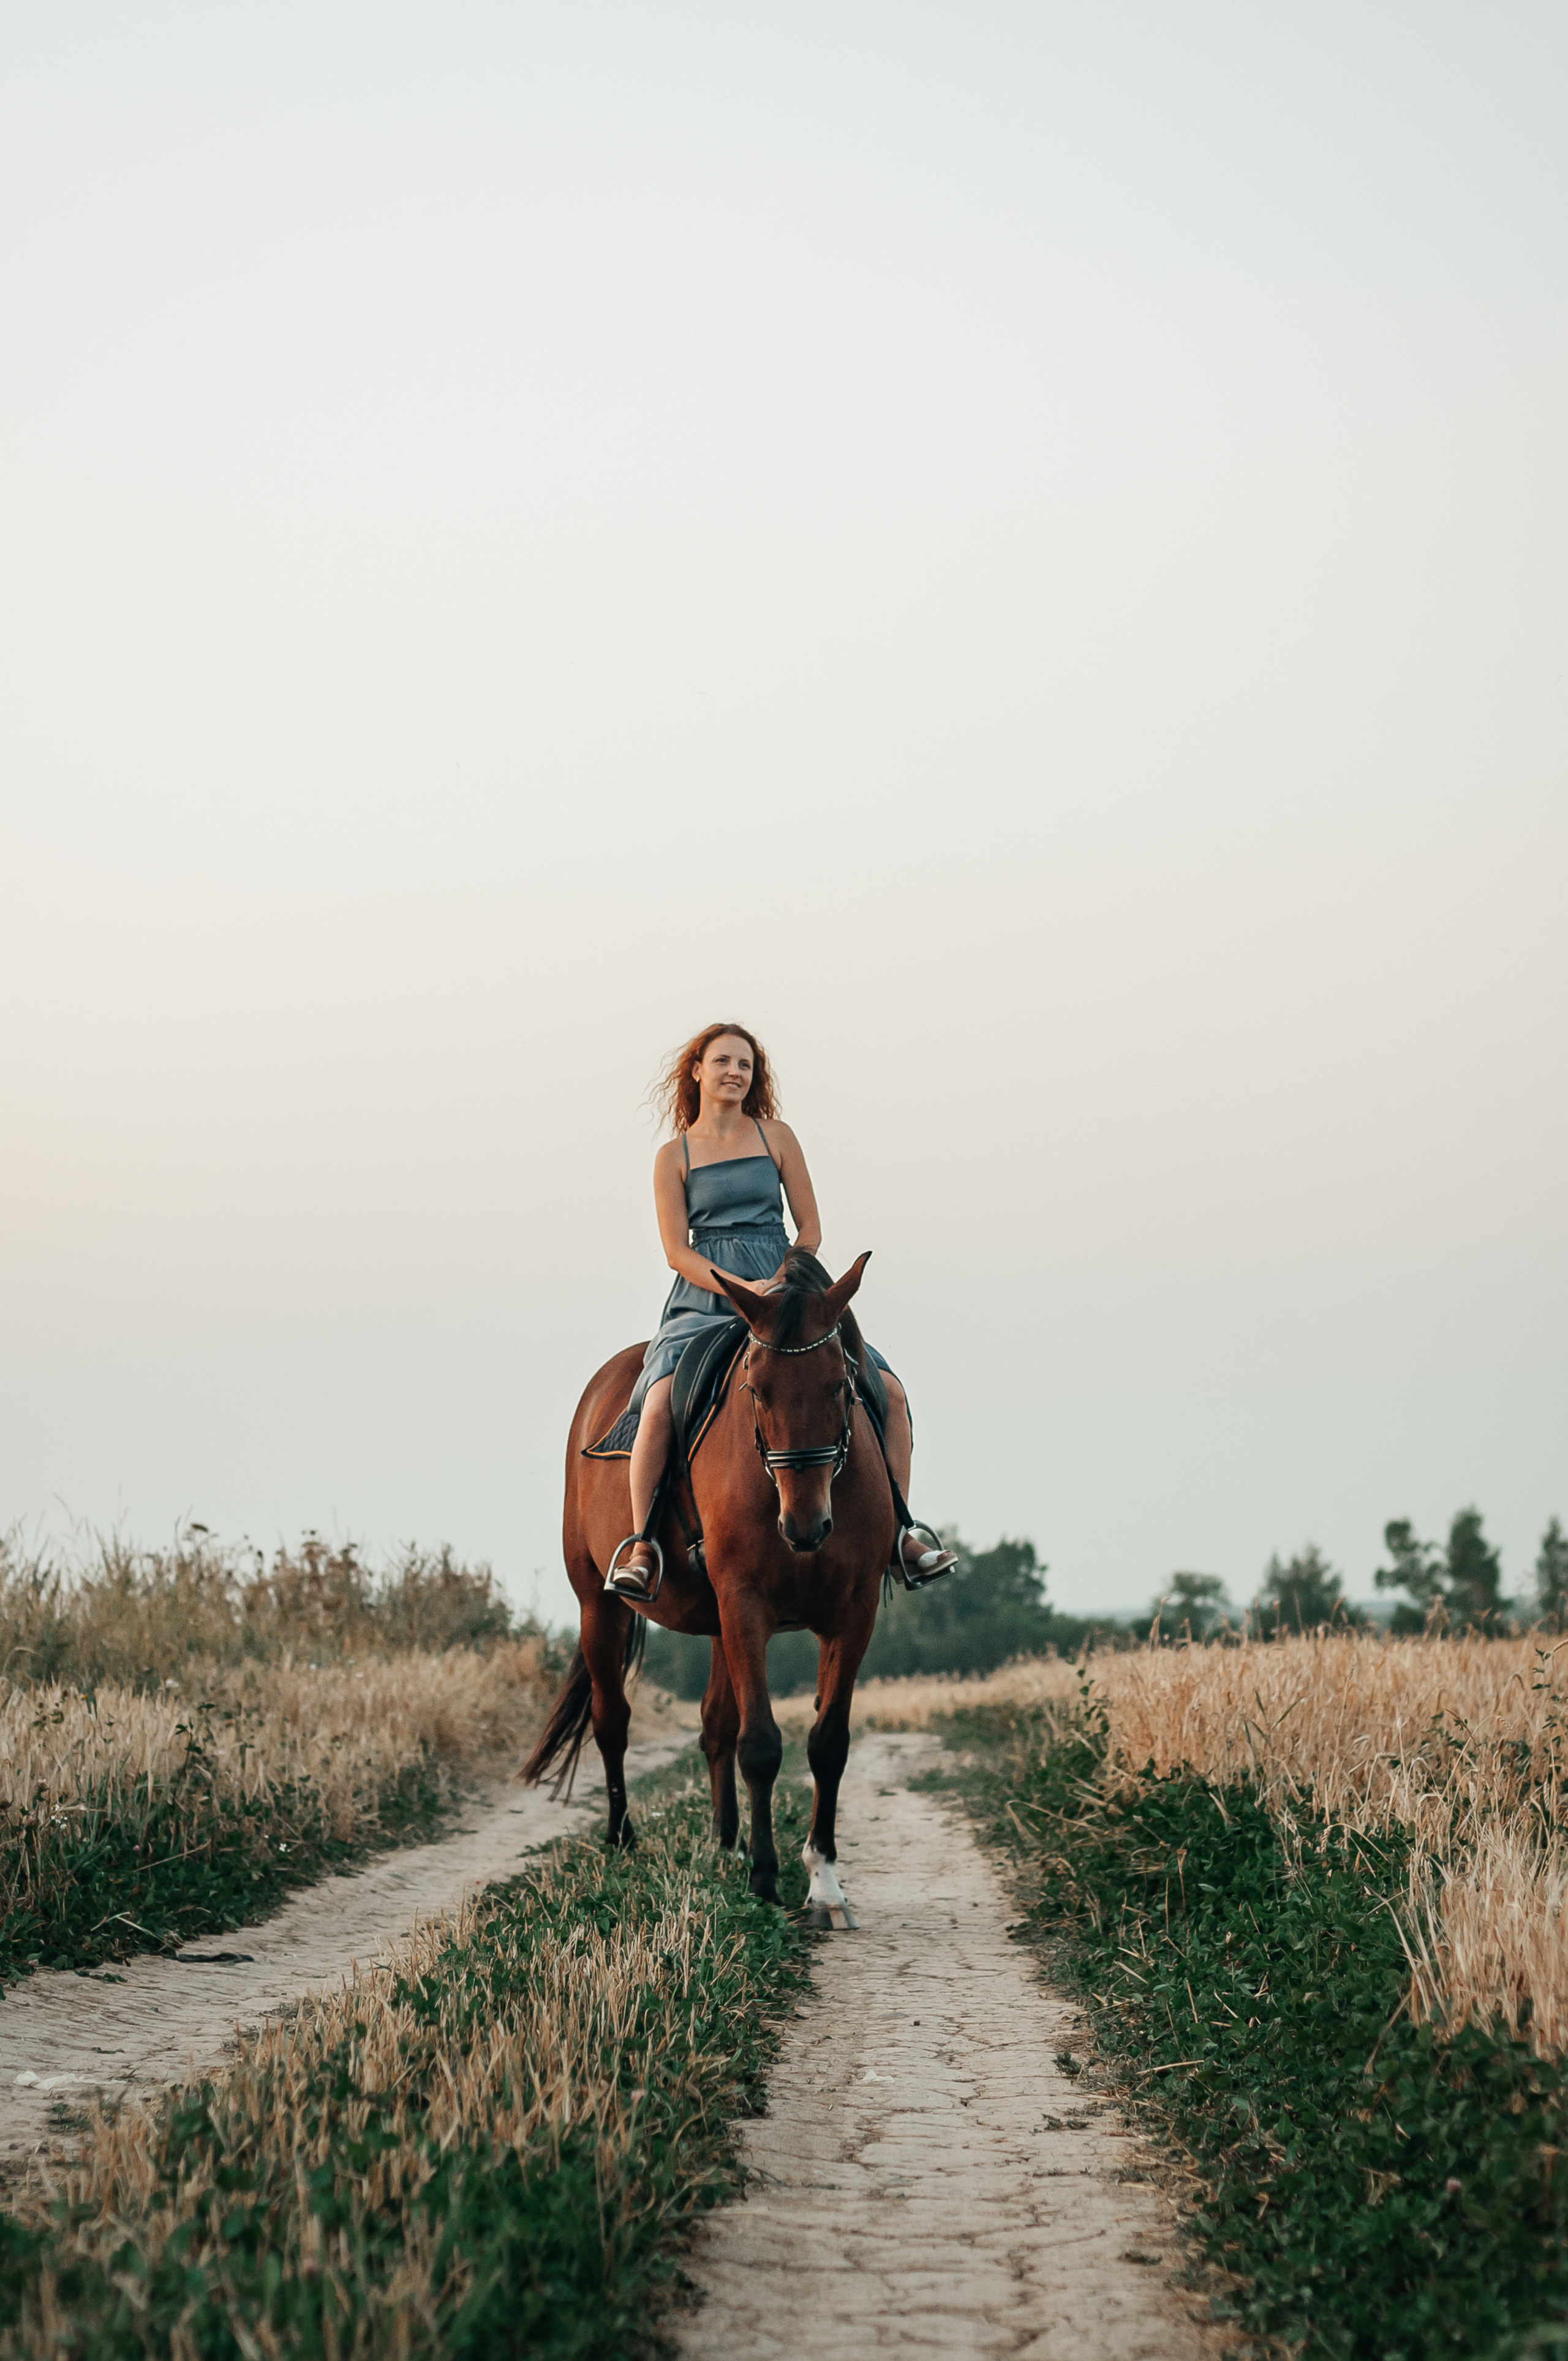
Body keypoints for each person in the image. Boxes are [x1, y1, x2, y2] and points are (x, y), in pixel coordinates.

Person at [609, 1019, 957, 1600]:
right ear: (697, 1071)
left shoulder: (776, 1137)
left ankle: (901, 1534)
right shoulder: (674, 1156)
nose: (735, 1072)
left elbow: (810, 1228)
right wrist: (739, 1288)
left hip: (785, 1292)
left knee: (891, 1393)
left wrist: (781, 1280)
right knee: (662, 1400)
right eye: (723, 1062)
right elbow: (676, 1251)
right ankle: (643, 1544)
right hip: (708, 1298)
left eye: (745, 1064)